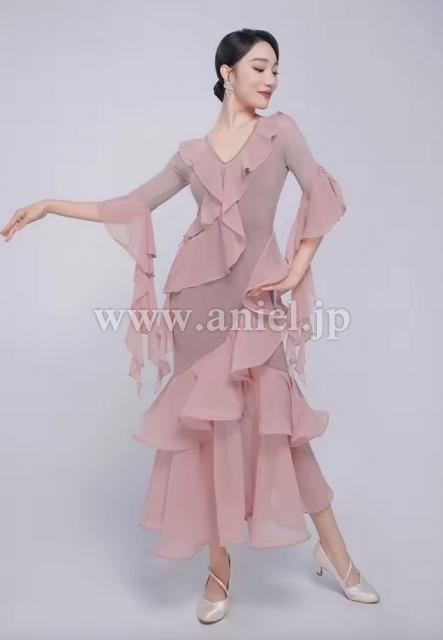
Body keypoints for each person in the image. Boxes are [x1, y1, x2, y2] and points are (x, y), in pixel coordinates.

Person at [1, 28, 380, 624]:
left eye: (276, 69)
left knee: (284, 428)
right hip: (195, 307)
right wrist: (50, 205)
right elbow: (133, 203)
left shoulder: (283, 132)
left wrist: (294, 269)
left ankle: (336, 556)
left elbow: (322, 196)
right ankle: (218, 570)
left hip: (253, 301)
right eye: (260, 67)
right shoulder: (191, 155)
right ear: (227, 73)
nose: (272, 79)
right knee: (210, 435)